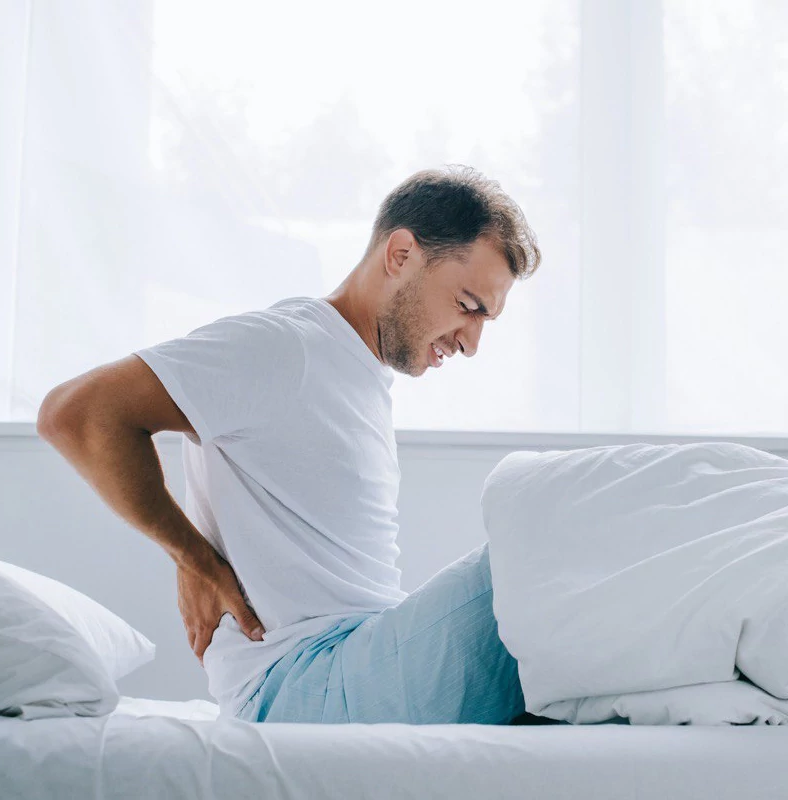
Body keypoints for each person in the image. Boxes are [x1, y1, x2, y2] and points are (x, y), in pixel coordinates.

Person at [38, 165, 541, 724]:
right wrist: (193, 559)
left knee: (566, 637)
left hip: (355, 661)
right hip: (305, 679)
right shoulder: (286, 347)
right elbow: (76, 413)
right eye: (468, 305)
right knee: (545, 546)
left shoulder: (357, 372)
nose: (472, 343)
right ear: (401, 255)